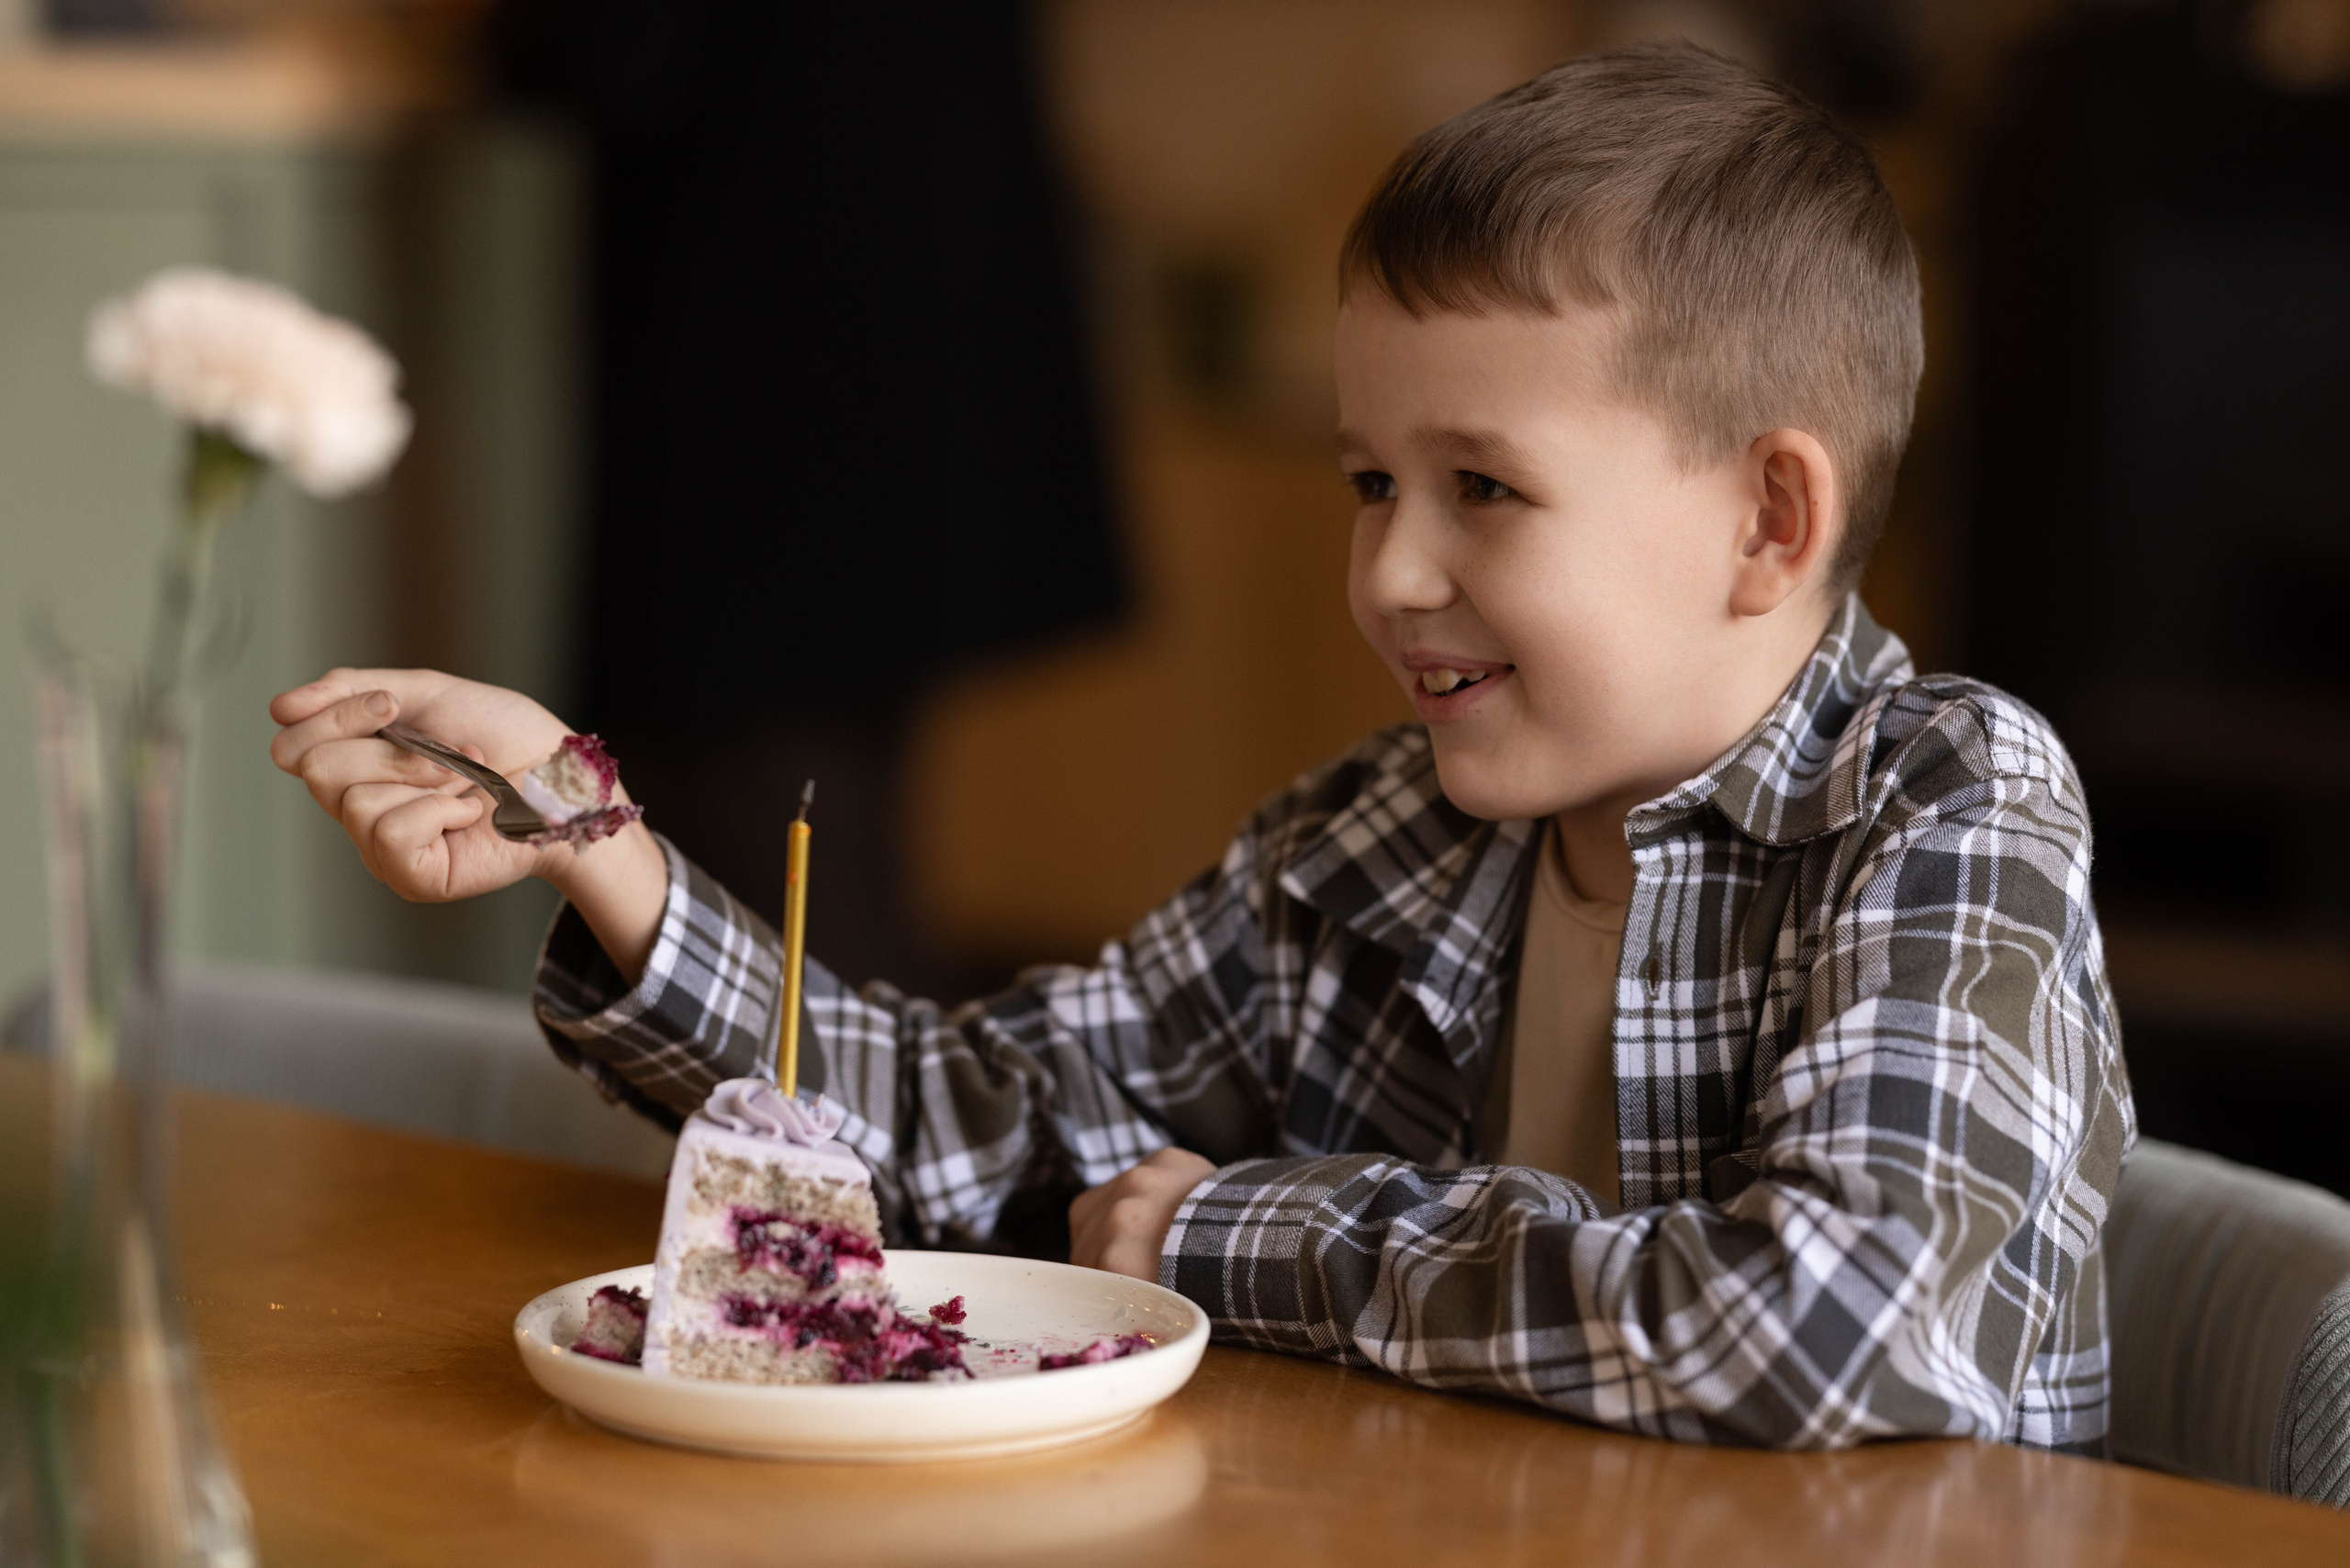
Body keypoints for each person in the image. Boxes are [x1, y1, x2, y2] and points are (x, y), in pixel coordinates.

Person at [268, 42, 2132, 1452]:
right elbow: (960, 1134)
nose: (1389, 572)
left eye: (1483, 488)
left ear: (1768, 521)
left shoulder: (1944, 804)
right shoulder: (1373, 836)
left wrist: (1241, 1236)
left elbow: (1836, 1322)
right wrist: (589, 830)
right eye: (1370, 481)